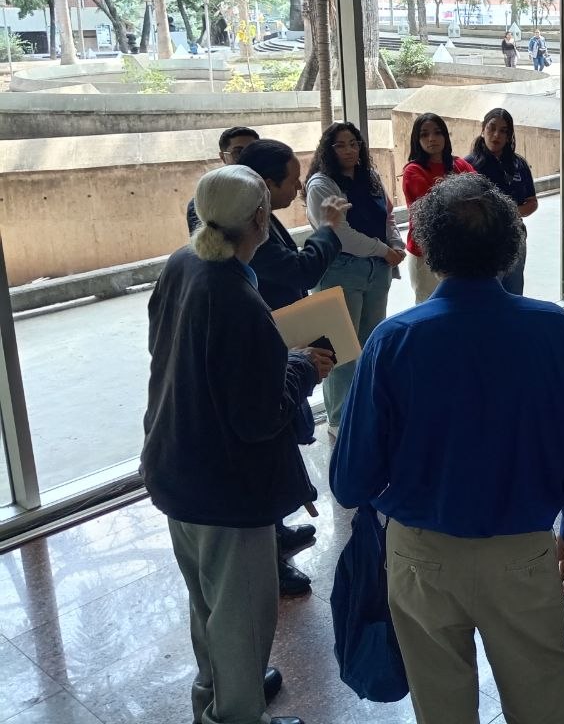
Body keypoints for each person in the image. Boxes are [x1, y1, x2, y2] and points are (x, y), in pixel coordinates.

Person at [330, 173, 564, 724]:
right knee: (545, 696)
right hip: (522, 551)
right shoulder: (553, 330)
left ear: (422, 246)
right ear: (511, 243)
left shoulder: (394, 340)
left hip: (422, 554)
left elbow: (350, 480)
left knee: (442, 702)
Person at [142, 165, 335, 724]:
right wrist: (301, 367)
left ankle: (219, 700)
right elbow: (258, 418)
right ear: (260, 218)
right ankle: (240, 715)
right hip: (226, 488)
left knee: (208, 605)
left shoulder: (184, 264)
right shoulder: (236, 298)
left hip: (175, 465)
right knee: (242, 615)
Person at [237, 138, 349, 596]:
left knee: (284, 444)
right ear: (264, 188)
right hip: (273, 354)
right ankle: (271, 561)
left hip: (285, 346)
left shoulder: (257, 226)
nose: (299, 185)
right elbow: (300, 270)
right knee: (271, 454)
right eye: (291, 179)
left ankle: (279, 533)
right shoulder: (245, 242)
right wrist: (329, 228)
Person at [305, 121, 405, 431]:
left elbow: (387, 215)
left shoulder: (370, 177)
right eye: (340, 145)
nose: (349, 150)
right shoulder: (321, 184)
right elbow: (340, 234)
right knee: (341, 352)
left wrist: (396, 245)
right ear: (328, 150)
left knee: (369, 344)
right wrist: (383, 251)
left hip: (377, 271)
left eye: (354, 143)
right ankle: (339, 421)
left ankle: (363, 411)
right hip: (341, 271)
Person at [401, 113, 476, 303]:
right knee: (428, 305)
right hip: (426, 252)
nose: (432, 138)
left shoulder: (459, 164)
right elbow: (433, 208)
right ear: (417, 140)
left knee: (459, 304)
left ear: (445, 136)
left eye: (437, 133)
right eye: (424, 134)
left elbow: (481, 193)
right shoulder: (413, 170)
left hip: (459, 249)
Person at [465, 108, 538, 294]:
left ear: (509, 136)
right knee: (487, 294)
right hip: (483, 242)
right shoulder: (468, 166)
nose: (496, 135)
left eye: (503, 131)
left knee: (514, 293)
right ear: (482, 130)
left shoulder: (518, 164)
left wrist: (506, 211)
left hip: (515, 237)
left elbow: (532, 202)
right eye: (492, 128)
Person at [185, 125, 259, 232]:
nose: (248, 157)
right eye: (238, 152)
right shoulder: (205, 202)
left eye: (253, 152)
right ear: (223, 157)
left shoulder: (263, 191)